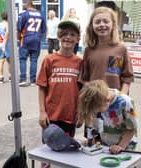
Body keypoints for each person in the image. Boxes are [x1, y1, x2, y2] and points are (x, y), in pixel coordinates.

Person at [37, 20, 82, 168]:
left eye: (72, 34)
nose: (68, 37)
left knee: (66, 151)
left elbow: (82, 91)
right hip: (51, 117)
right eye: (64, 34)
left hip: (70, 117)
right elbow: (42, 87)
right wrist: (42, 112)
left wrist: (80, 113)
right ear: (58, 36)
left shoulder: (79, 63)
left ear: (78, 39)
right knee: (47, 153)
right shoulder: (49, 60)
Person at [78, 7, 134, 95]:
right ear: (92, 26)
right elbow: (84, 79)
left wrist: (122, 97)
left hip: (116, 102)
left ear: (113, 24)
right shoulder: (88, 50)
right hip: (94, 101)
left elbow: (127, 78)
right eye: (97, 22)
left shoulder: (121, 49)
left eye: (106, 21)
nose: (101, 24)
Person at [77, 79, 137, 154]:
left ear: (107, 100)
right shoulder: (98, 99)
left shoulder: (126, 103)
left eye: (98, 110)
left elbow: (131, 129)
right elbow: (97, 124)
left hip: (126, 146)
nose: (97, 112)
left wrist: (120, 146)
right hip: (106, 144)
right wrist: (93, 140)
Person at [17, 0, 46, 87]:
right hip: (36, 39)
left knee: (22, 59)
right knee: (34, 60)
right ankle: (33, 80)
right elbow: (43, 29)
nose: (23, 5)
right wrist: (38, 38)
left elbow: (19, 28)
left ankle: (23, 79)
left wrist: (19, 38)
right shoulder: (41, 14)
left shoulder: (24, 14)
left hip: (26, 39)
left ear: (27, 4)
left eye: (24, 3)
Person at [0, 12, 11, 84]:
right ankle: (10, 75)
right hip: (6, 43)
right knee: (9, 60)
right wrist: (4, 44)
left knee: (1, 61)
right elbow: (7, 34)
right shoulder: (7, 24)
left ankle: (0, 77)